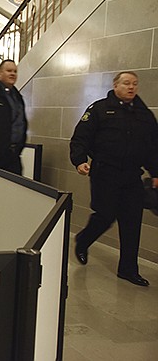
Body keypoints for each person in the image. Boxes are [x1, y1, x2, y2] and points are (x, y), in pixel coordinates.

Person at [70, 71, 158, 287]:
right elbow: (80, 138)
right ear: (115, 85)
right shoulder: (99, 109)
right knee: (105, 214)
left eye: (135, 84)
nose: (131, 87)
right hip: (105, 172)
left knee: (132, 221)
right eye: (126, 83)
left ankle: (128, 269)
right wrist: (80, 160)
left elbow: (152, 147)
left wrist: (155, 172)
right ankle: (83, 240)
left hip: (131, 175)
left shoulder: (144, 114)